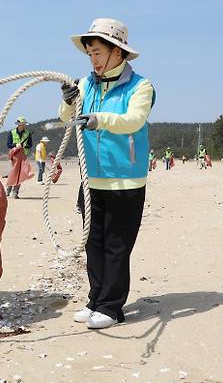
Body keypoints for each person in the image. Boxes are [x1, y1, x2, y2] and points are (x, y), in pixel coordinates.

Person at [59, 17, 155, 329]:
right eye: (89, 54)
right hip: (92, 178)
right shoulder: (86, 84)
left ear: (118, 52)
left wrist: (99, 119)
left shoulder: (142, 86)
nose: (93, 59)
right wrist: (68, 101)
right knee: (93, 242)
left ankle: (112, 307)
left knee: (116, 244)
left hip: (126, 178)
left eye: (98, 52)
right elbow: (67, 118)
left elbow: (133, 120)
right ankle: (95, 299)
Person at [6, 116, 33, 198]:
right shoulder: (11, 132)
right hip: (13, 156)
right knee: (12, 173)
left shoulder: (28, 133)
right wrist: (15, 145)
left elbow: (30, 145)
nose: (24, 126)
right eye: (22, 124)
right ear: (18, 125)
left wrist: (24, 145)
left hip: (23, 157)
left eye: (24, 124)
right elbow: (8, 144)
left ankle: (15, 192)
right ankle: (8, 190)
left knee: (21, 174)